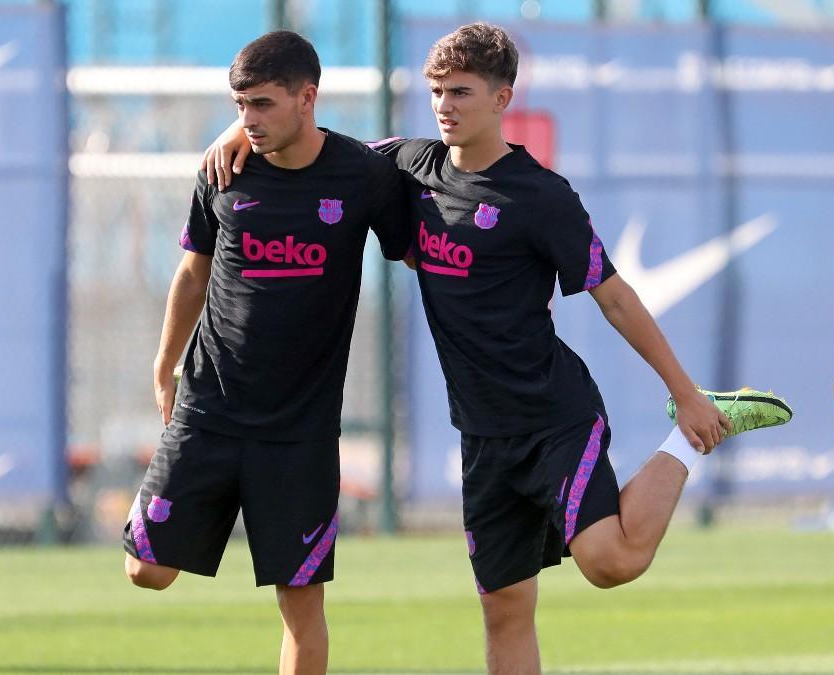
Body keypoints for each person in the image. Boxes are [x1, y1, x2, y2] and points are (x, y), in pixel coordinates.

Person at [205, 22, 791, 673]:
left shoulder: (540, 196)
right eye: (435, 92)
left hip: (552, 417)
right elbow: (314, 145)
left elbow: (616, 297)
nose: (444, 106)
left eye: (460, 91)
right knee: (505, 611)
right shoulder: (409, 163)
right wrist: (239, 132)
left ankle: (692, 433)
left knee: (610, 561)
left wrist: (682, 395)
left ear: (502, 97)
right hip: (483, 436)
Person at [123, 31, 409, 675]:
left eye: (261, 105)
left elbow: (416, 220)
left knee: (300, 603)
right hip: (210, 408)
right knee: (147, 570)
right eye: (239, 106)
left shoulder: (362, 175)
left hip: (299, 430)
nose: (247, 120)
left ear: (308, 99)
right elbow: (192, 274)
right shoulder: (223, 169)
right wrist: (164, 364)